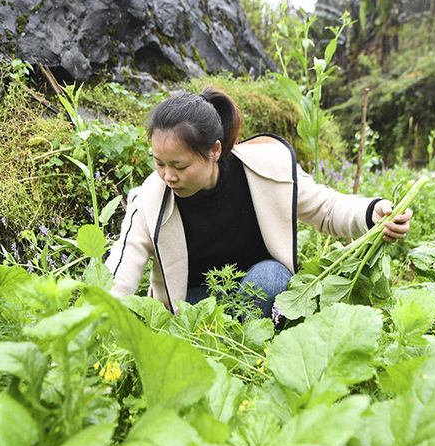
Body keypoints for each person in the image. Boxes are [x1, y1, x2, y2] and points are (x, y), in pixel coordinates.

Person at [105, 87, 413, 316]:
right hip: (195, 306)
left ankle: (257, 340)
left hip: (259, 293)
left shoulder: (267, 168)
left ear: (213, 151)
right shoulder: (151, 197)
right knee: (192, 316)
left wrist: (373, 213)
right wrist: (96, 320)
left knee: (271, 278)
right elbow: (124, 267)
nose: (168, 176)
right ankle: (224, 344)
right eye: (159, 163)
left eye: (180, 166)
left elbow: (325, 208)